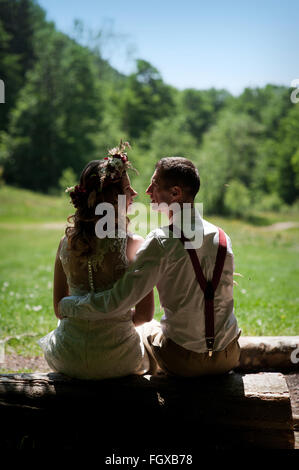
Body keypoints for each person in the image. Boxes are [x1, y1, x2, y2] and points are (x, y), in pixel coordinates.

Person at [59, 156, 241, 377]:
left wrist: (69, 306)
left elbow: (118, 301)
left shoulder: (161, 240)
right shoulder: (222, 237)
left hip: (183, 361)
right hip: (229, 355)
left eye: (154, 184)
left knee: (146, 328)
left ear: (175, 193)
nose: (146, 191)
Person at [38, 142, 154, 379]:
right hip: (118, 359)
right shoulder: (133, 243)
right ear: (112, 199)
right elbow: (144, 315)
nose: (134, 194)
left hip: (68, 356)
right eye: (127, 190)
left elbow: (60, 311)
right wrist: (113, 319)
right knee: (152, 332)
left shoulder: (66, 243)